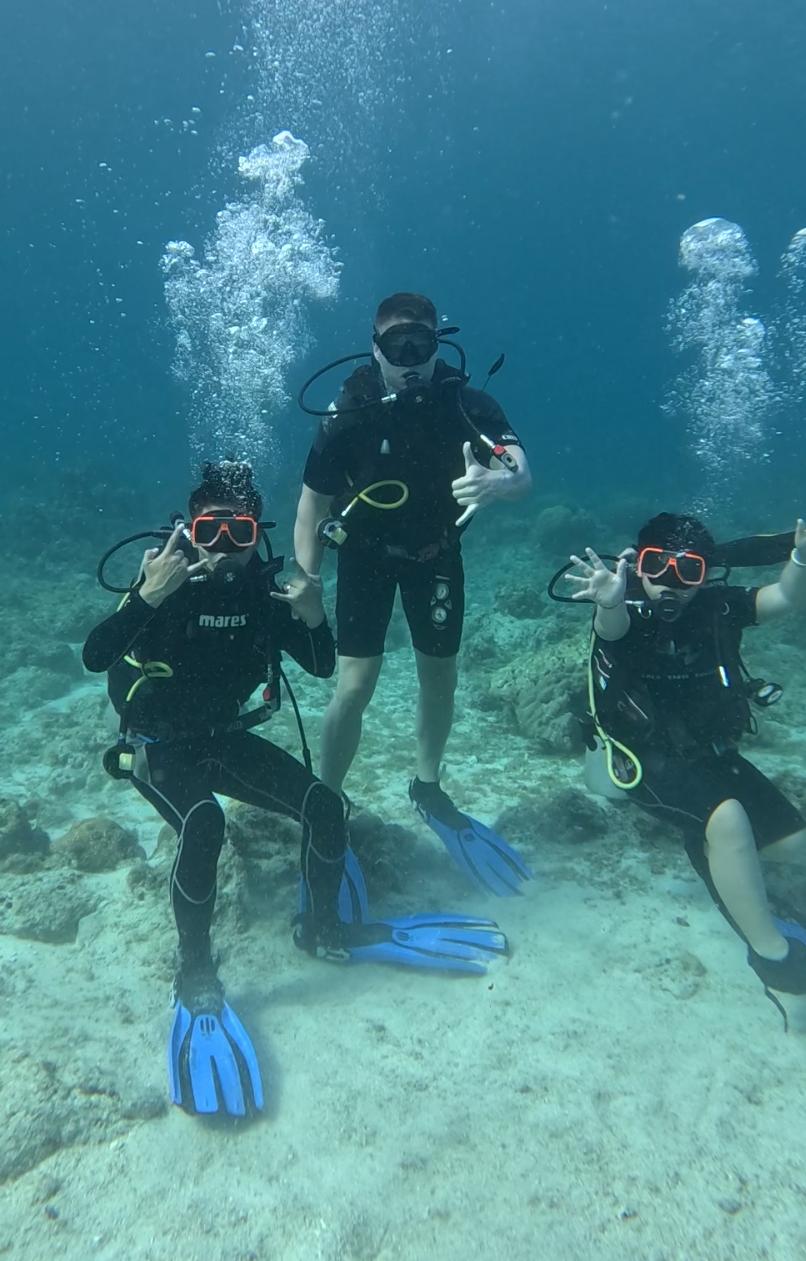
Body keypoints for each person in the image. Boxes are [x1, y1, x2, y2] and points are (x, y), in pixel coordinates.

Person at [83, 460, 508, 1119]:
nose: (226, 548)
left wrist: (311, 615)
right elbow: (95, 655)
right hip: (159, 747)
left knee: (323, 804)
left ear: (259, 534)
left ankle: (323, 927)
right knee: (204, 822)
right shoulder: (163, 582)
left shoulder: (263, 592)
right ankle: (196, 972)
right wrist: (147, 597)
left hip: (224, 738)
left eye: (241, 532)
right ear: (188, 530)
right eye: (211, 531)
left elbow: (318, 663)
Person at [291, 292, 534, 896]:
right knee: (354, 686)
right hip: (364, 561)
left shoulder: (466, 403)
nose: (408, 359)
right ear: (374, 348)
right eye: (395, 345)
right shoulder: (348, 411)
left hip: (435, 557)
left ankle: (427, 786)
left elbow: (520, 471)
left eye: (419, 345)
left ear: (436, 345)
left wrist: (498, 483)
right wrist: (309, 580)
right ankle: (328, 799)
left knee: (440, 677)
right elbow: (311, 504)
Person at [566, 511, 806, 1008]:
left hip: (709, 753)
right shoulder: (625, 605)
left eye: (689, 570)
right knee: (729, 819)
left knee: (796, 845)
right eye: (658, 565)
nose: (671, 582)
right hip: (639, 757)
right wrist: (609, 600)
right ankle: (772, 958)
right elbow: (611, 628)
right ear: (638, 564)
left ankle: (715, 850)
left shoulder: (720, 607)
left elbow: (785, 597)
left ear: (706, 574)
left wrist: (800, 558)